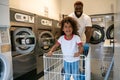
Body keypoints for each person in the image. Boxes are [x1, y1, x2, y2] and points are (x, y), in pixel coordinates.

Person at [69, 1, 93, 69]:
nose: (78, 10)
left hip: (82, 38)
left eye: (80, 8)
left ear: (82, 8)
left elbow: (89, 30)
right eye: (76, 8)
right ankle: (73, 68)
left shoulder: (86, 17)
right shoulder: (70, 17)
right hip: (72, 38)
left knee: (84, 55)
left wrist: (87, 43)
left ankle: (84, 69)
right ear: (74, 8)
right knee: (73, 55)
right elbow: (68, 28)